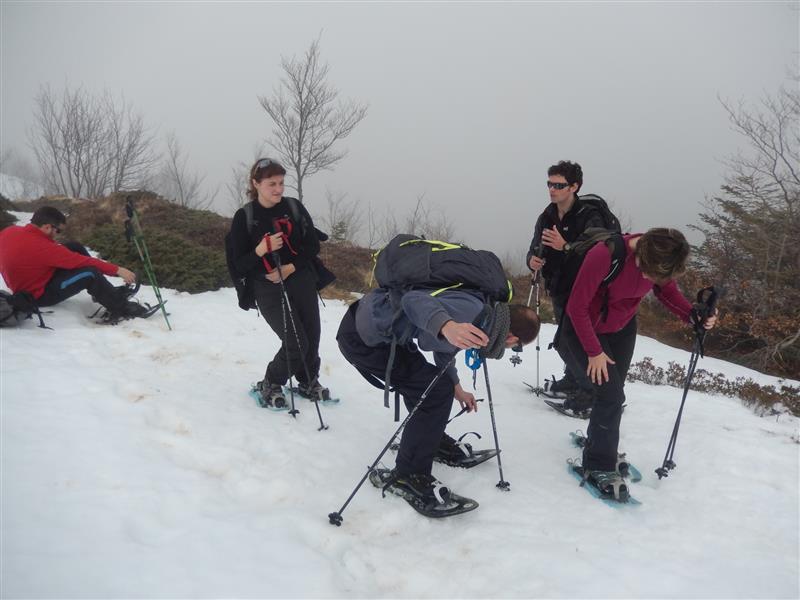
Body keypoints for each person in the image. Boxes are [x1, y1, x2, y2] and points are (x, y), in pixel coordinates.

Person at [336, 286, 539, 506]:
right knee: (434, 390)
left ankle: (429, 440)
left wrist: (457, 386)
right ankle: (408, 476)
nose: (511, 349)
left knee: (433, 385)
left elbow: (444, 346)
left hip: (380, 331)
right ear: (511, 338)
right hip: (364, 339)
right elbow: (412, 299)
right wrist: (446, 325)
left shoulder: (484, 316)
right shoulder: (472, 312)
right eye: (517, 347)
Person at [560, 227, 717, 499]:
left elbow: (666, 292)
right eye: (649, 272)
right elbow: (576, 306)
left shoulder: (659, 261)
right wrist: (594, 351)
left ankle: (600, 444)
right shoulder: (604, 255)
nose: (649, 278)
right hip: (585, 327)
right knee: (610, 393)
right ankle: (598, 463)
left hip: (621, 327)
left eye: (656, 275)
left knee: (612, 392)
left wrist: (694, 316)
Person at [228, 158, 330, 408]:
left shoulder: (293, 207)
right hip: (267, 286)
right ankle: (272, 381)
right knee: (296, 340)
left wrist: (290, 267)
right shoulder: (245, 217)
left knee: (312, 335)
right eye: (271, 183)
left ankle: (307, 379)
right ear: (256, 183)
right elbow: (238, 263)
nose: (278, 189)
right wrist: (261, 250)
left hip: (301, 278)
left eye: (281, 183)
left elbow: (312, 245)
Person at [526, 160, 609, 413]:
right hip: (559, 286)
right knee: (567, 340)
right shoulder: (547, 215)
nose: (552, 189)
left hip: (586, 291)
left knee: (571, 341)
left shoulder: (589, 216)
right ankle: (573, 380)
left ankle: (589, 394)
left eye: (559, 185)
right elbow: (534, 246)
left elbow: (600, 254)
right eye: (550, 183)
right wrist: (532, 260)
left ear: (575, 186)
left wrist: (565, 246)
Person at [0, 206, 147, 321]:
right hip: (38, 295)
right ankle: (120, 308)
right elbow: (82, 261)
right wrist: (118, 270)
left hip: (26, 282)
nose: (57, 235)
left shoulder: (9, 231)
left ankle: (104, 292)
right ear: (46, 227)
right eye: (57, 231)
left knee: (74, 246)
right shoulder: (44, 248)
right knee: (90, 273)